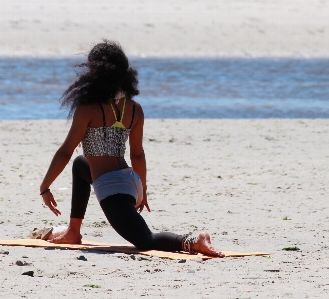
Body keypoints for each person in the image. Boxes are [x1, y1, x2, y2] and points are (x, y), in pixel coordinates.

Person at [39, 40, 224, 257]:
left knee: (145, 240)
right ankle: (73, 231)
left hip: (113, 189)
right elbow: (137, 154)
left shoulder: (88, 108)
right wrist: (142, 190)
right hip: (132, 183)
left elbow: (65, 151)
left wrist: (45, 186)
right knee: (81, 164)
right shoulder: (134, 109)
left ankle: (194, 241)